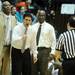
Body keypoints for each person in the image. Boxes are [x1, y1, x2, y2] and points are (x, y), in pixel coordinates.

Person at [31, 10, 56, 75]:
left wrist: (52, 52)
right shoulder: (33, 27)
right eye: (40, 15)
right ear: (37, 16)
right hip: (34, 50)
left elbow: (53, 41)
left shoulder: (50, 27)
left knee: (43, 71)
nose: (41, 17)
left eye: (43, 15)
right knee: (33, 71)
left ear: (45, 16)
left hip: (45, 51)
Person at [0, 1, 17, 75]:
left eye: (9, 5)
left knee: (6, 69)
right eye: (5, 6)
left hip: (9, 47)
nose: (8, 7)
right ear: (2, 8)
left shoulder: (13, 18)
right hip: (1, 45)